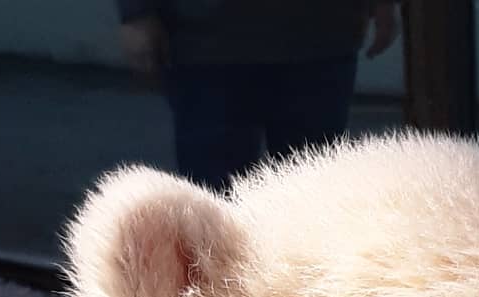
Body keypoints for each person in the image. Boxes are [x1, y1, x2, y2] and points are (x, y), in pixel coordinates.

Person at [116, 1, 399, 189]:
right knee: (215, 199)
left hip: (321, 36)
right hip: (207, 42)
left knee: (314, 194)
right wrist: (136, 12)